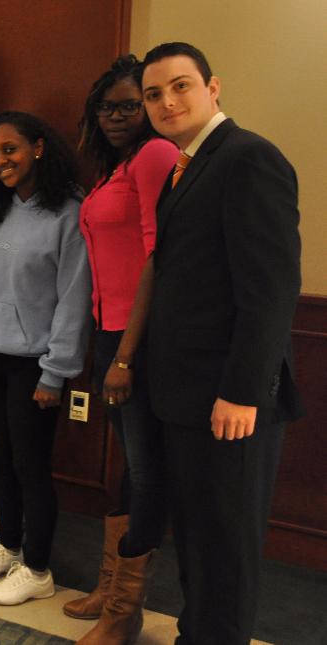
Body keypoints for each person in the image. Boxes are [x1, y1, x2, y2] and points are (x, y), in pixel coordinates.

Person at [140, 42, 302, 644]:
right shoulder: (187, 165)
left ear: (213, 88)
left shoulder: (248, 158)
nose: (167, 101)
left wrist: (240, 393)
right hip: (186, 396)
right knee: (201, 539)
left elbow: (270, 290)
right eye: (154, 94)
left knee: (226, 552)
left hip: (228, 403)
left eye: (180, 86)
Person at [65, 55, 178, 643]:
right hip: (110, 333)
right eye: (106, 107)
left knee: (144, 469)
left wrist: (128, 355)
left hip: (141, 337)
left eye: (129, 106)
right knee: (126, 467)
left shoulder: (156, 155)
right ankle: (111, 590)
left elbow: (160, 254)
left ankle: (125, 612)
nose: (115, 116)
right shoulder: (116, 168)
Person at [0, 112, 91, 606]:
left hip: (36, 363)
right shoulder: (1, 208)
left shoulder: (68, 213)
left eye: (9, 150)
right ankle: (9, 547)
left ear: (38, 147)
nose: (0, 161)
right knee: (1, 459)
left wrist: (56, 372)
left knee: (31, 466)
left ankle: (37, 568)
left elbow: (75, 297)